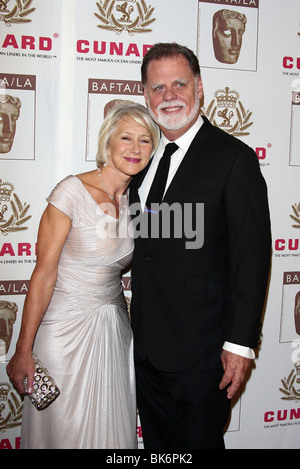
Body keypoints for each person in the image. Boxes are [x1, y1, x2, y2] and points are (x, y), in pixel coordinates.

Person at [129, 43, 271, 449]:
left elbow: (252, 259)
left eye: (179, 83)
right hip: (146, 347)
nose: (169, 95)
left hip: (204, 352)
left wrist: (240, 343)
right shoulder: (142, 161)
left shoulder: (233, 159)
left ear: (200, 87)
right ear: (145, 95)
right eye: (158, 87)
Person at [6, 102, 160, 449]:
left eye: (145, 140)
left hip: (115, 334)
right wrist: (23, 349)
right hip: (63, 335)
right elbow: (43, 276)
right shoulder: (70, 193)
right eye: (126, 138)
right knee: (63, 433)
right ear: (108, 144)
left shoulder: (137, 200)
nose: (135, 148)